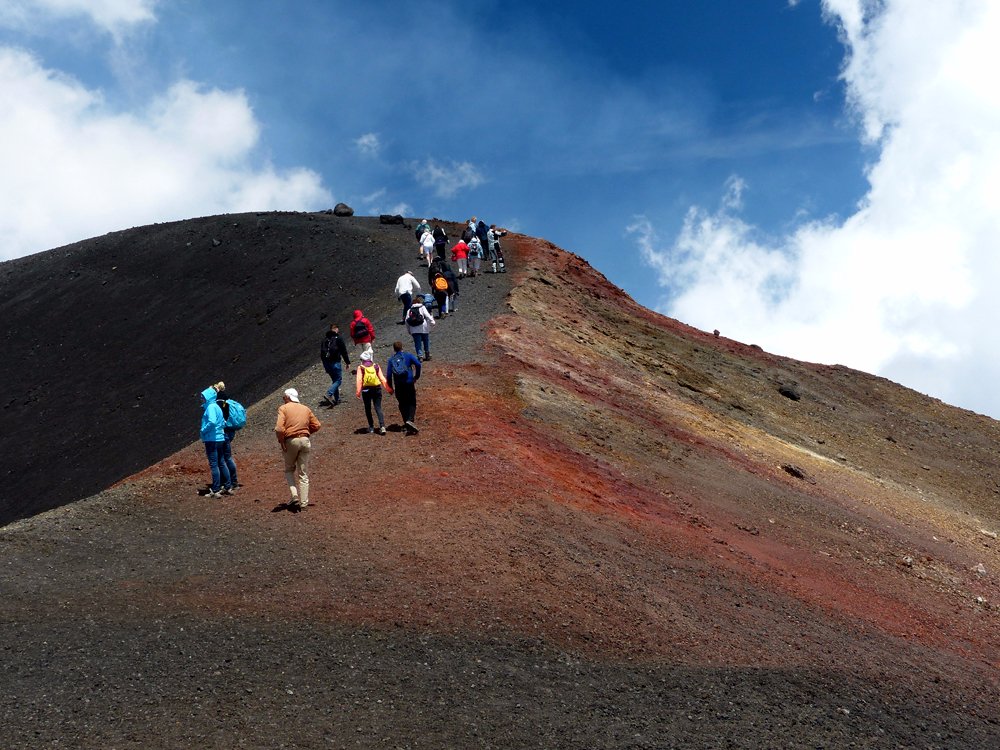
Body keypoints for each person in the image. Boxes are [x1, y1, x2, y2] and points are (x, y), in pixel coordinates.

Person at [274, 387, 321, 511]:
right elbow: (317, 425)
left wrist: (281, 440)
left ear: (288, 397)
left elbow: (279, 428)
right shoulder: (305, 408)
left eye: (284, 397)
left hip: (291, 441)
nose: (283, 400)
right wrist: (306, 432)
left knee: (289, 469)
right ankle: (304, 502)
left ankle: (294, 495)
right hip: (305, 441)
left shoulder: (283, 408)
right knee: (303, 473)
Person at [200, 381, 232, 498]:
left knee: (214, 464)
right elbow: (223, 422)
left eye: (203, 397)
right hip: (220, 438)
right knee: (221, 462)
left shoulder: (210, 408)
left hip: (212, 439)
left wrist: (204, 430)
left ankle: (216, 489)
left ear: (208, 397)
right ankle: (228, 486)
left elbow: (212, 421)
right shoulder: (217, 407)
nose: (202, 399)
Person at [387, 341, 422, 434]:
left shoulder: (391, 360)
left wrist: (390, 387)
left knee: (402, 403)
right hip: (409, 382)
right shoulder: (408, 355)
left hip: (398, 385)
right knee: (412, 401)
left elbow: (388, 375)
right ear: (402, 347)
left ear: (394, 349)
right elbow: (418, 364)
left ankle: (406, 422)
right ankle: (410, 420)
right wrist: (416, 376)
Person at [355, 349, 392, 434]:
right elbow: (382, 378)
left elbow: (359, 380)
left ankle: (371, 427)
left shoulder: (361, 367)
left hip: (366, 390)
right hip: (377, 388)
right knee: (378, 407)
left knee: (368, 408)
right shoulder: (376, 366)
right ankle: (382, 426)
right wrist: (389, 389)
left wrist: (358, 392)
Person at [215, 386, 242, 491]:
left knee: (222, 459)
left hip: (223, 433)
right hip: (230, 431)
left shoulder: (218, 402)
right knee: (227, 457)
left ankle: (228, 482)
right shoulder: (227, 400)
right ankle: (233, 481)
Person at [320, 324, 350, 406]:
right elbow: (344, 351)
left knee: (334, 380)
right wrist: (347, 362)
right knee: (338, 380)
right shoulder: (338, 339)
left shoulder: (325, 339)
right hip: (335, 362)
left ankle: (337, 399)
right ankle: (329, 393)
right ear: (336, 329)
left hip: (327, 364)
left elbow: (322, 355)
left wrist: (325, 366)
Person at [405, 294, 435, 360]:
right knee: (426, 341)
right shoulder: (422, 307)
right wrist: (432, 322)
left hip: (414, 329)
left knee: (417, 343)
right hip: (424, 327)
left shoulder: (409, 310)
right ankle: (427, 354)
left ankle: (420, 356)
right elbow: (427, 315)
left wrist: (409, 330)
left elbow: (406, 321)